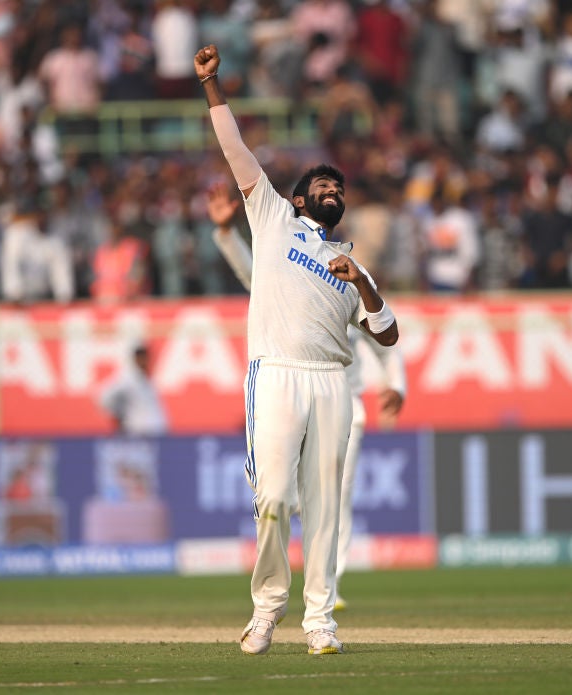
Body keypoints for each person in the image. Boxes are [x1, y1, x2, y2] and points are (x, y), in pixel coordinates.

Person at [194, 44, 399, 656]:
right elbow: (235, 150)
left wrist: (360, 280)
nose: (331, 190)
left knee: (327, 510)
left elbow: (387, 334)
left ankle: (320, 622)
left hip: (332, 381)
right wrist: (212, 85)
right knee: (275, 498)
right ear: (302, 199)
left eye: (338, 186)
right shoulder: (273, 217)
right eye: (321, 185)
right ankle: (267, 609)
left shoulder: (351, 263)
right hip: (277, 373)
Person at [207, 182, 406, 613]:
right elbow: (251, 274)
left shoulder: (344, 272)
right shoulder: (284, 254)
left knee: (335, 496)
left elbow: (384, 336)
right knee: (280, 496)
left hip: (341, 402)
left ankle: (325, 593)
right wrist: (226, 236)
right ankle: (281, 597)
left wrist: (396, 382)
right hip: (287, 387)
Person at [96, 344, 169, 436]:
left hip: (154, 435)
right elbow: (104, 396)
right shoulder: (128, 379)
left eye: (146, 358)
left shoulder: (145, 379)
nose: (145, 361)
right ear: (136, 359)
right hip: (139, 434)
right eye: (141, 358)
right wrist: (119, 414)